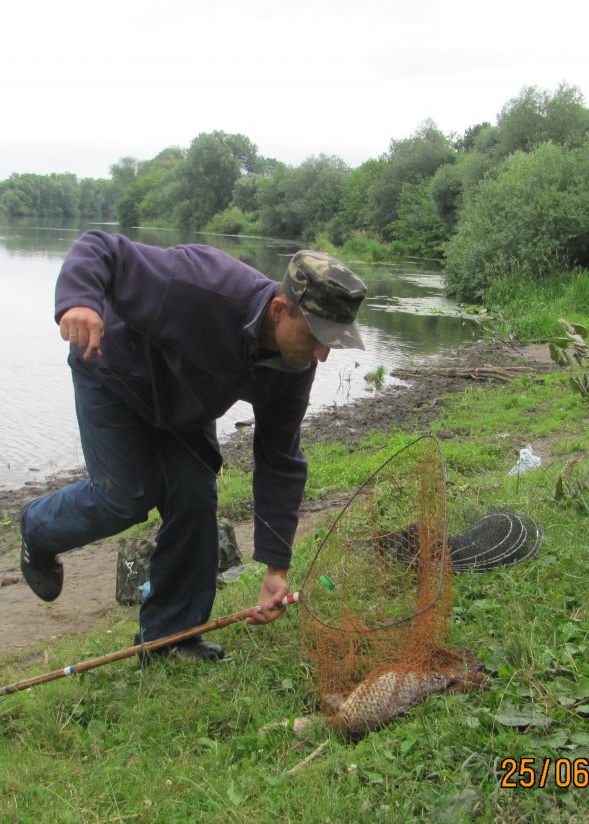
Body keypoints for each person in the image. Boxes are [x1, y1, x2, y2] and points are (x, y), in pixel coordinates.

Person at [18, 230, 367, 661]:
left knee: (195, 499)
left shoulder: (293, 366)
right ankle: (37, 529)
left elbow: (279, 459)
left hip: (183, 406)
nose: (322, 355)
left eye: (331, 343)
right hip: (113, 375)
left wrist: (276, 568)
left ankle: (170, 637)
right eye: (316, 337)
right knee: (125, 497)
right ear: (280, 310)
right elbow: (102, 249)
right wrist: (80, 302)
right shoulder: (200, 282)